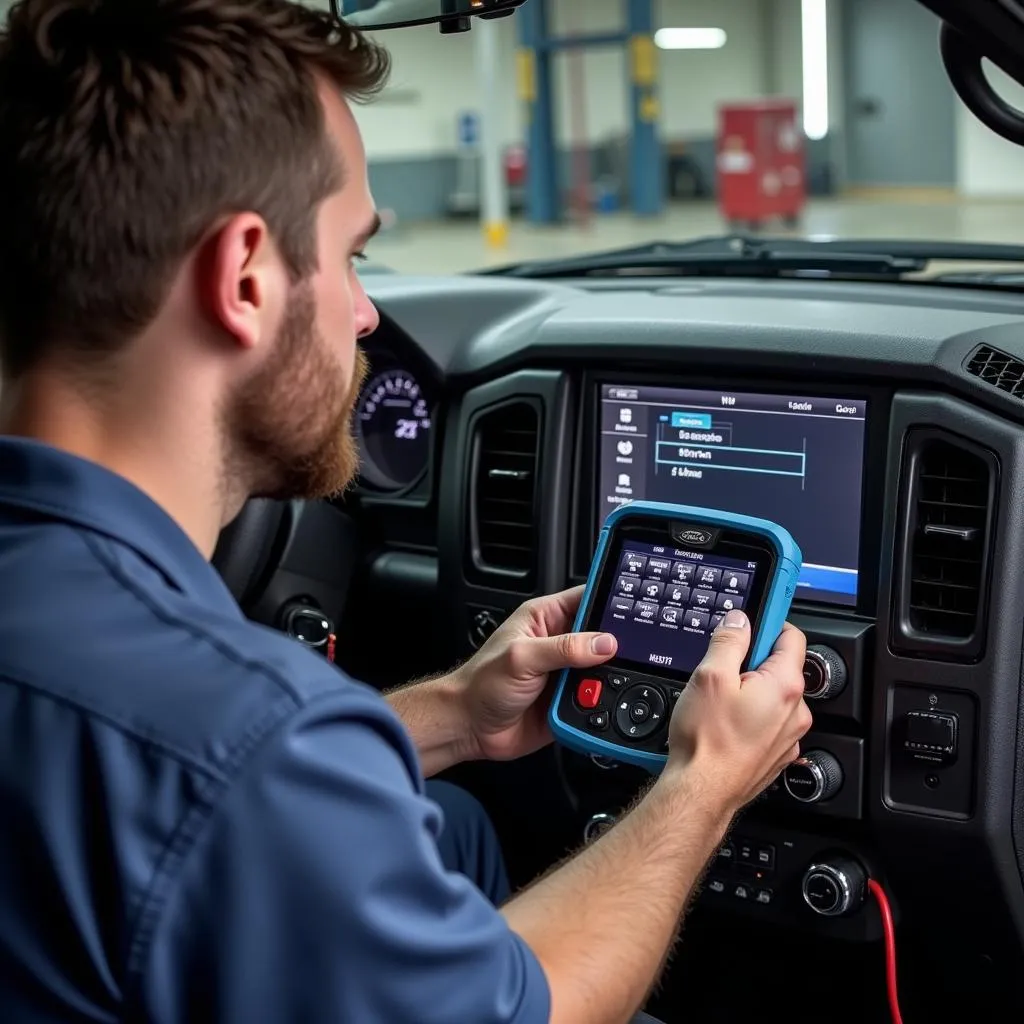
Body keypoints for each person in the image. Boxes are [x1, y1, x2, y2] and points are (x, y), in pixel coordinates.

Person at [0, 2, 813, 1022]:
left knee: (455, 822)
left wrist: (453, 712)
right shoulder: (253, 732)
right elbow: (531, 1007)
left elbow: (172, 786)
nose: (367, 316)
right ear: (244, 277)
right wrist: (702, 785)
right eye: (352, 258)